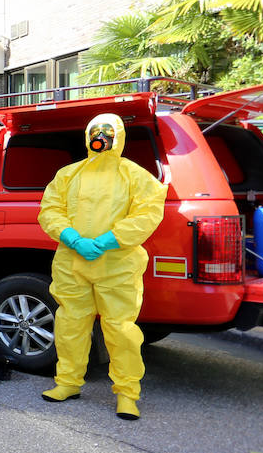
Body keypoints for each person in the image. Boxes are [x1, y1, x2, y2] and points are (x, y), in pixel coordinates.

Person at [37, 113, 166, 420]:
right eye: (96, 131)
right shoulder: (68, 174)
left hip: (117, 265)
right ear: (87, 135)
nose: (101, 137)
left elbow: (147, 215)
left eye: (108, 132)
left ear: (118, 136)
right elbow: (50, 210)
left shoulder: (135, 176)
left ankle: (126, 393)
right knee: (70, 325)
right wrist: (71, 237)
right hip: (72, 262)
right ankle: (67, 382)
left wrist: (108, 241)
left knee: (120, 330)